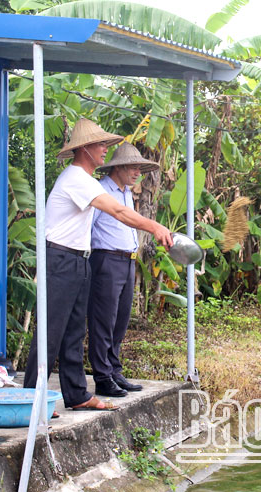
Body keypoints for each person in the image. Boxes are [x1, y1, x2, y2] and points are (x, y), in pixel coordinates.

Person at [22, 118, 173, 412]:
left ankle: (77, 395)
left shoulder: (86, 181)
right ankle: (30, 400)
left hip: (79, 259)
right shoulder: (75, 178)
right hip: (60, 259)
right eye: (101, 144)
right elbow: (117, 211)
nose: (106, 149)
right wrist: (154, 227)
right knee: (50, 333)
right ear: (84, 149)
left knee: (74, 332)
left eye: (105, 144)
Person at [87, 143, 159, 397]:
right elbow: (89, 227)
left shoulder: (126, 192)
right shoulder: (101, 190)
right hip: (106, 259)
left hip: (127, 261)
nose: (137, 172)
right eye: (133, 166)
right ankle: (102, 376)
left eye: (139, 167)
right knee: (103, 320)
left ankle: (114, 370)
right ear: (117, 166)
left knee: (120, 320)